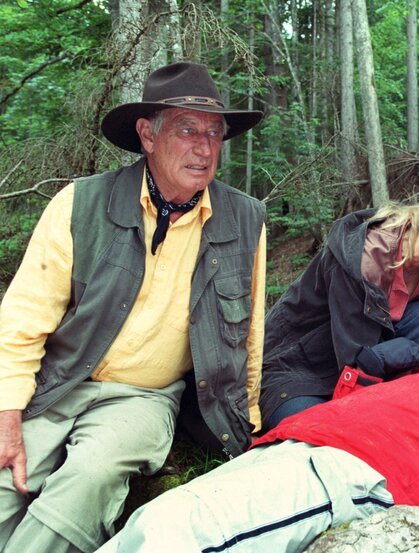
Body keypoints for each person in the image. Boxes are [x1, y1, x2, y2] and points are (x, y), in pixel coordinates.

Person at [0, 62, 267, 553]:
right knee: (5, 480)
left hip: (144, 398)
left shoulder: (245, 218)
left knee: (90, 476)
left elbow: (250, 332)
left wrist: (246, 419)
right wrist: (7, 413)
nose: (205, 149)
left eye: (215, 133)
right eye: (188, 130)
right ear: (147, 134)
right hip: (57, 383)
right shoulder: (80, 203)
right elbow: (21, 319)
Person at [97, 301, 419, 553]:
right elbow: (352, 405)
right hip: (291, 442)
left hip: (357, 469)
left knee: (173, 533)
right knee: (149, 523)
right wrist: (377, 366)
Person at [261, 192, 419, 429]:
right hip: (298, 371)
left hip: (363, 364)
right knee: (315, 435)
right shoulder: (363, 262)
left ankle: (389, 400)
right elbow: (355, 361)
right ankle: (388, 401)